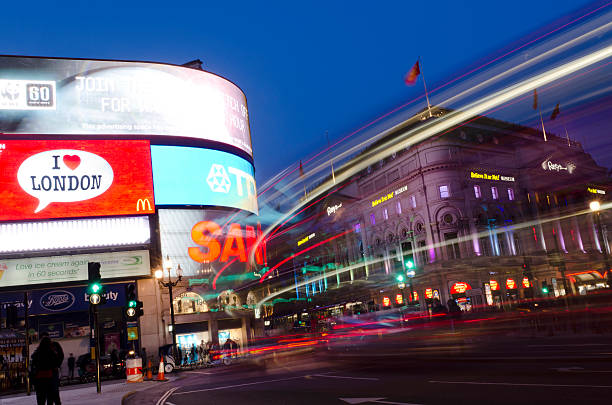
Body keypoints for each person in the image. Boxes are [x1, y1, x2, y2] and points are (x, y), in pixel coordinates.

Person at [31, 337, 62, 405]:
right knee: (50, 398)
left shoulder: (37, 353)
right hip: (49, 378)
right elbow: (56, 362)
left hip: (39, 379)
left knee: (40, 400)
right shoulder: (51, 352)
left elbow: (33, 365)